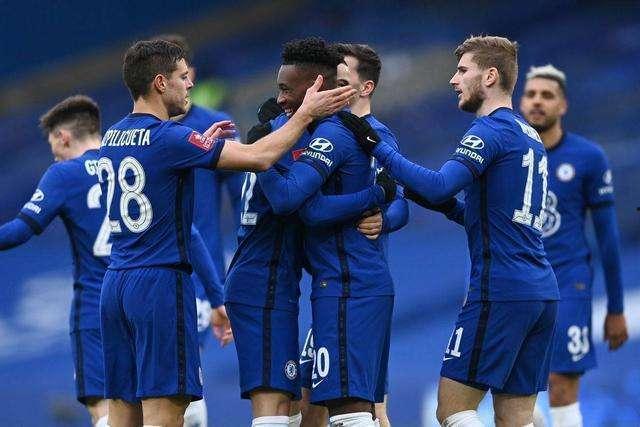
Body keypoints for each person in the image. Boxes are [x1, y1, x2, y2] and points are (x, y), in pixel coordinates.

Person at [98, 39, 355, 427]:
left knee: (121, 415)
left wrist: (202, 144)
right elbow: (259, 157)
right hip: (158, 286)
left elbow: (165, 169)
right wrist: (305, 114)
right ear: (160, 83)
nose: (190, 83)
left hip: (115, 283)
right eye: (182, 76)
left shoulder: (112, 136)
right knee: (164, 415)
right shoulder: (170, 137)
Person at [340, 35, 560, 426]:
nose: (453, 80)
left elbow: (441, 185)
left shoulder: (488, 132)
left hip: (500, 290)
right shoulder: (528, 136)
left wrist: (378, 148)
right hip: (540, 291)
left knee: (453, 409)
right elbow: (482, 215)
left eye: (462, 70)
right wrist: (426, 196)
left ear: (489, 76)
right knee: (516, 419)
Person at [225, 37, 392, 427]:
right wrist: (375, 195)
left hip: (297, 283)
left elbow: (403, 196)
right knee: (279, 408)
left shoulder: (307, 133)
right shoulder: (280, 135)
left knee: (304, 407)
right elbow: (293, 203)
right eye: (279, 89)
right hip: (261, 281)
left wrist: (385, 212)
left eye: (286, 89)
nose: (280, 97)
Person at [297, 42, 409, 427]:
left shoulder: (379, 138)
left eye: (342, 80)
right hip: (332, 285)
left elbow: (401, 204)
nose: (334, 86)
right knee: (310, 404)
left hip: (355, 286)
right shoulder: (322, 132)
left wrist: (383, 218)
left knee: (362, 406)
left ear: (366, 88)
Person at [519, 64, 628, 427]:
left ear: (563, 105)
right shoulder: (506, 154)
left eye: (547, 95)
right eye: (531, 94)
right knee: (511, 390)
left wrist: (615, 308)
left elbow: (608, 238)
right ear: (520, 102)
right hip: (516, 282)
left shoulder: (588, 157)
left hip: (568, 281)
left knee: (561, 384)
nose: (537, 101)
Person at [0, 95, 110, 427]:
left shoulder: (63, 174)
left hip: (96, 306)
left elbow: (20, 230)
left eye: (53, 146)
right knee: (154, 406)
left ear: (63, 136)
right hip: (143, 299)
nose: (54, 154)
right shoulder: (131, 162)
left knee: (105, 410)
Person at [156, 33, 239, 427]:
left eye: (186, 74)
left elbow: (243, 201)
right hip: (149, 271)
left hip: (198, 273)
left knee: (184, 372)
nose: (186, 82)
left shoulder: (215, 126)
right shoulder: (138, 132)